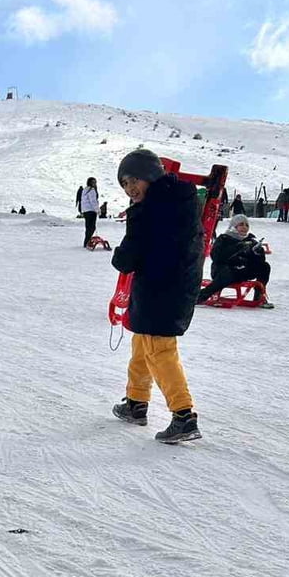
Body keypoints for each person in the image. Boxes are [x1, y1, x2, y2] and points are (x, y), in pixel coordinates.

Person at [109, 148, 204, 444]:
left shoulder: (149, 210)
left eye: (133, 179)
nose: (130, 188)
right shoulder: (180, 200)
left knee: (159, 349)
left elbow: (129, 256)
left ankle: (183, 415)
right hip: (177, 284)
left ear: (149, 175)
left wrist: (120, 256)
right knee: (142, 342)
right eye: (125, 184)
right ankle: (136, 402)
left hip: (160, 288)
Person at [198, 214, 272, 306]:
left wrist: (256, 253)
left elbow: (259, 261)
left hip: (242, 271)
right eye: (241, 224)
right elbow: (217, 257)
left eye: (246, 225)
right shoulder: (224, 239)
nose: (244, 227)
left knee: (264, 266)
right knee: (227, 271)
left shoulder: (251, 240)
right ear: (234, 226)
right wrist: (237, 248)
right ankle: (202, 295)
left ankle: (259, 295)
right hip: (223, 270)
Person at [79, 176, 100, 247]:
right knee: (92, 227)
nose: (94, 183)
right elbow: (93, 201)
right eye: (93, 182)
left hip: (86, 211)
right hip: (91, 210)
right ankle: (87, 241)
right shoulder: (92, 190)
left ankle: (86, 241)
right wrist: (97, 210)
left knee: (88, 227)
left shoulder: (85, 190)